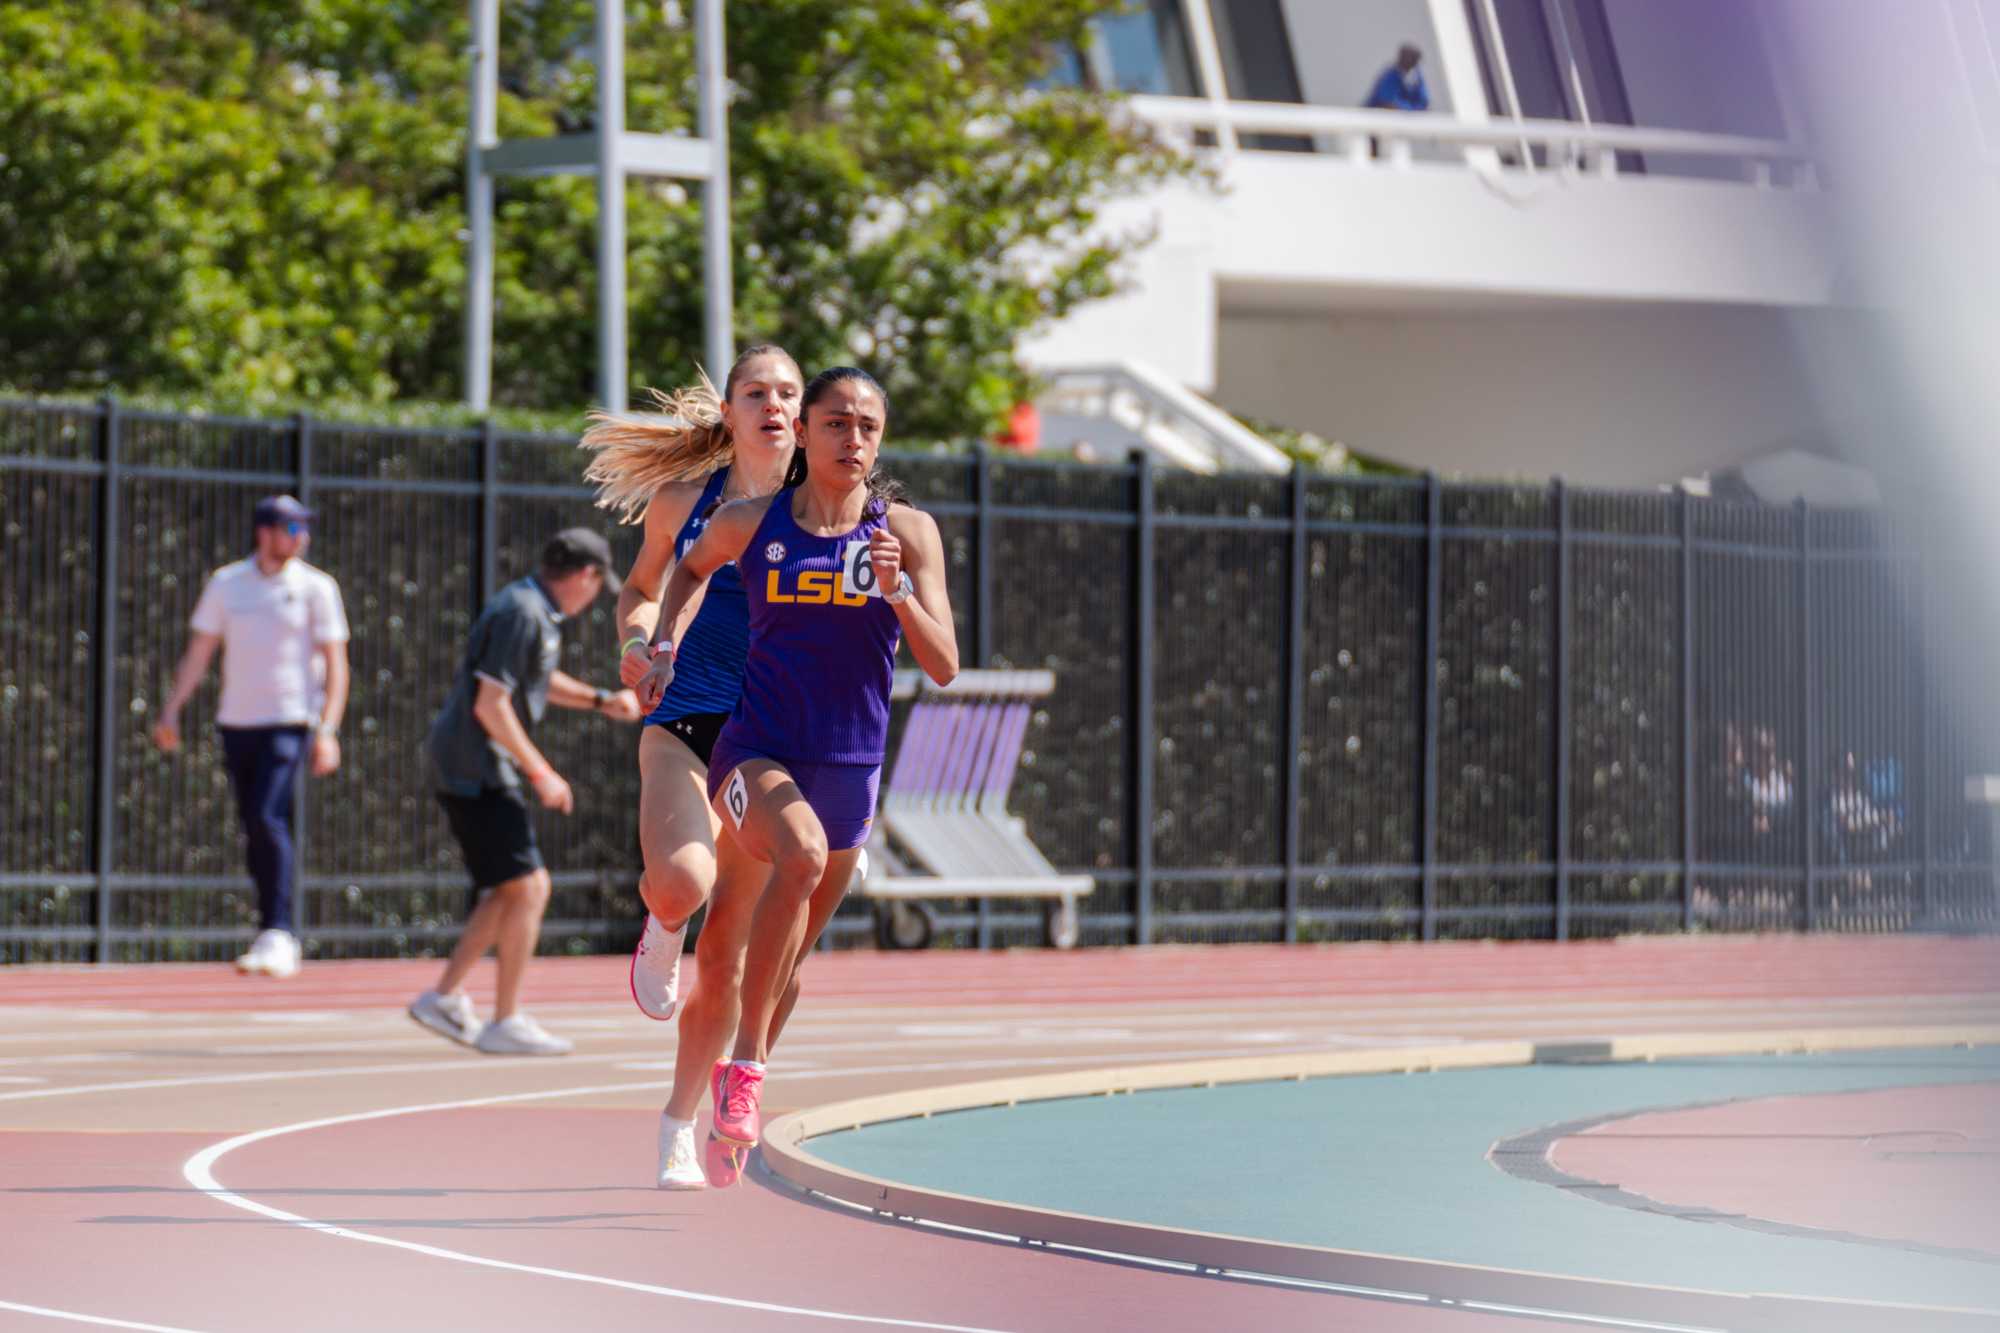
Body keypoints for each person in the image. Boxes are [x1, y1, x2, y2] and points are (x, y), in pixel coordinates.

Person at [638, 366, 958, 1155]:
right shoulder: (753, 521)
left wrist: (897, 594)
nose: (853, 439)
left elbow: (945, 663)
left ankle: (727, 1106)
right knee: (800, 855)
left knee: (784, 964)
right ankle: (743, 1071)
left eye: (868, 427)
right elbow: (685, 568)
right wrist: (663, 644)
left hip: (849, 767)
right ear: (807, 433)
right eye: (838, 423)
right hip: (755, 752)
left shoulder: (906, 533)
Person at [580, 344, 812, 1187]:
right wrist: (640, 645)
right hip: (682, 717)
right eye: (757, 391)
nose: (774, 404)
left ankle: (679, 1121)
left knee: (731, 964)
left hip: (768, 742)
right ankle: (660, 922)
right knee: (682, 879)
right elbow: (639, 588)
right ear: (731, 412)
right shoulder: (685, 502)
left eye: (789, 392)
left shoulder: (823, 511)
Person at [407, 528, 641, 1056]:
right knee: (531, 887)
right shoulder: (523, 613)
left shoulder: (532, 609)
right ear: (586, 576)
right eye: (597, 587)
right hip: (475, 767)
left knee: (509, 888)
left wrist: (602, 699)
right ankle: (505, 1019)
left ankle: (443, 998)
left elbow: (537, 677)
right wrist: (542, 772)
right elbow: (491, 705)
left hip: (474, 763)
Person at [152, 495, 350, 979]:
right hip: (237, 721)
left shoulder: (316, 588)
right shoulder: (227, 584)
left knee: (268, 816)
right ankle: (269, 928)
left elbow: (338, 665)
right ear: (264, 532)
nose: (301, 537)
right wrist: (171, 711)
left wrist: (327, 729)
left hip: (291, 720)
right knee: (253, 823)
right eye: (291, 527)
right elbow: (200, 652)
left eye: (304, 528)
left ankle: (280, 932)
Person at [1364, 44, 1429, 112]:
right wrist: (1408, 109)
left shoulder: (1417, 76)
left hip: (1408, 117)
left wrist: (1413, 109)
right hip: (1378, 115)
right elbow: (1388, 102)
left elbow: (1423, 101)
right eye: (1406, 57)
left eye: (1413, 58)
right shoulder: (1390, 75)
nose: (1409, 60)